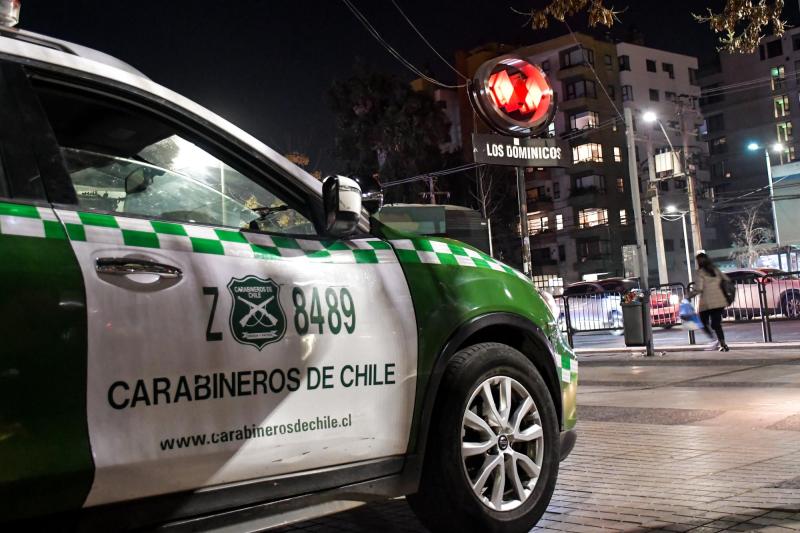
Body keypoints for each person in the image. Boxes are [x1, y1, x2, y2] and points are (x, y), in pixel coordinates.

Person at [687, 252, 730, 351]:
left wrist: (688, 296)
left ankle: (714, 340)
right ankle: (723, 344)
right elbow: (726, 279)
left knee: (702, 322)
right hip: (720, 301)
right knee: (716, 324)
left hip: (707, 303)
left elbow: (699, 289)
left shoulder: (700, 272)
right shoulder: (715, 270)